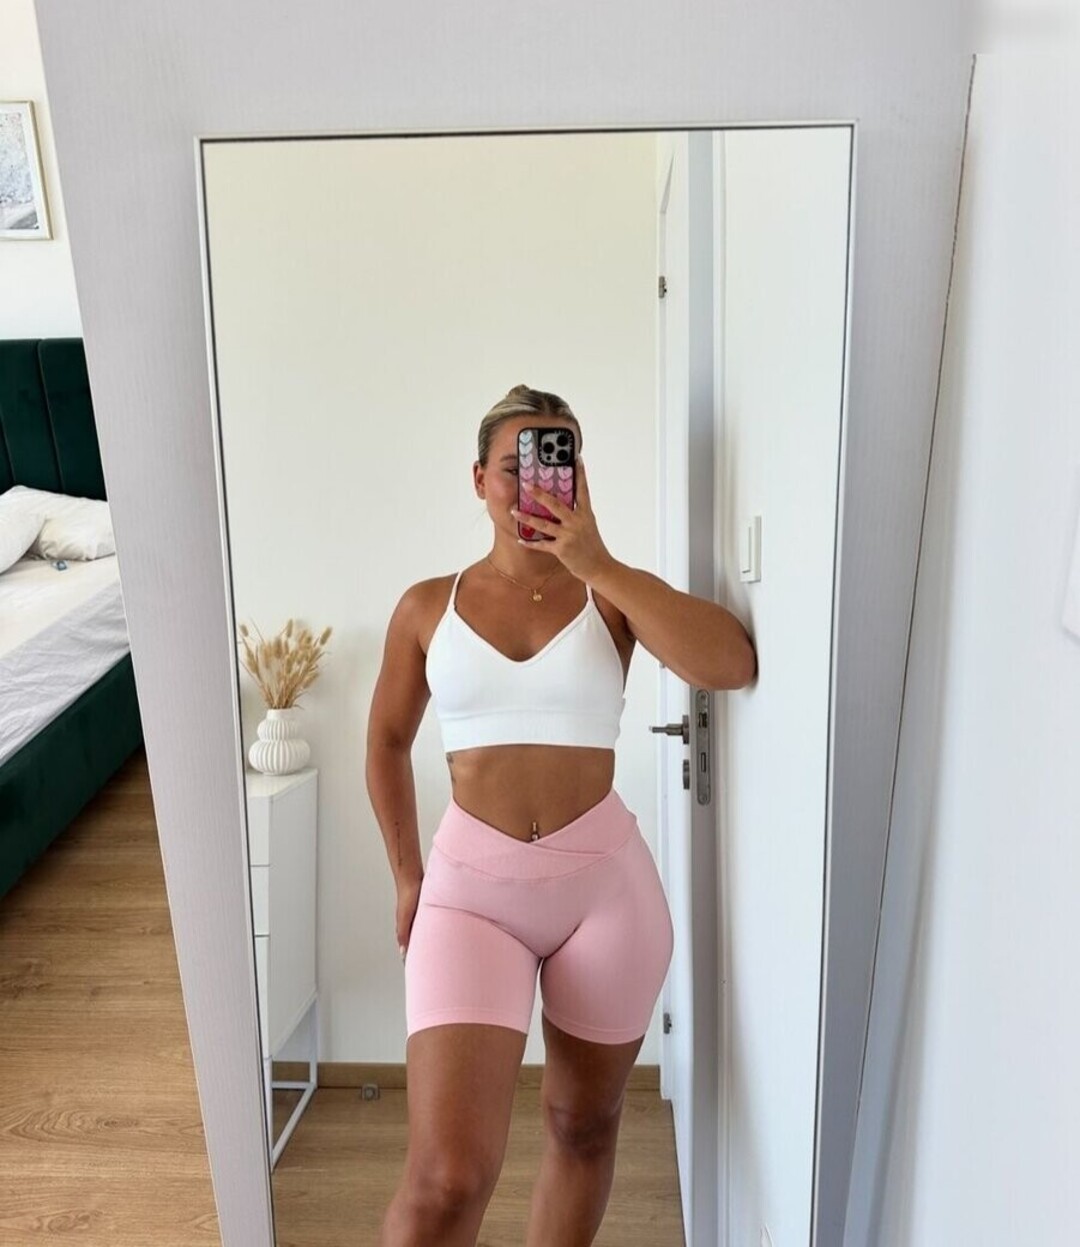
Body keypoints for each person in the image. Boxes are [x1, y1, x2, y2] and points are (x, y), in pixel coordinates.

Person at [366, 384, 757, 1247]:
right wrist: (406, 873)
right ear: (479, 479)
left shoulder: (610, 596)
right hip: (470, 894)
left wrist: (598, 561)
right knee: (446, 1179)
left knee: (583, 1126)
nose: (537, 480)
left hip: (605, 894)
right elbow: (387, 742)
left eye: (559, 460)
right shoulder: (427, 606)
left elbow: (729, 662)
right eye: (516, 465)